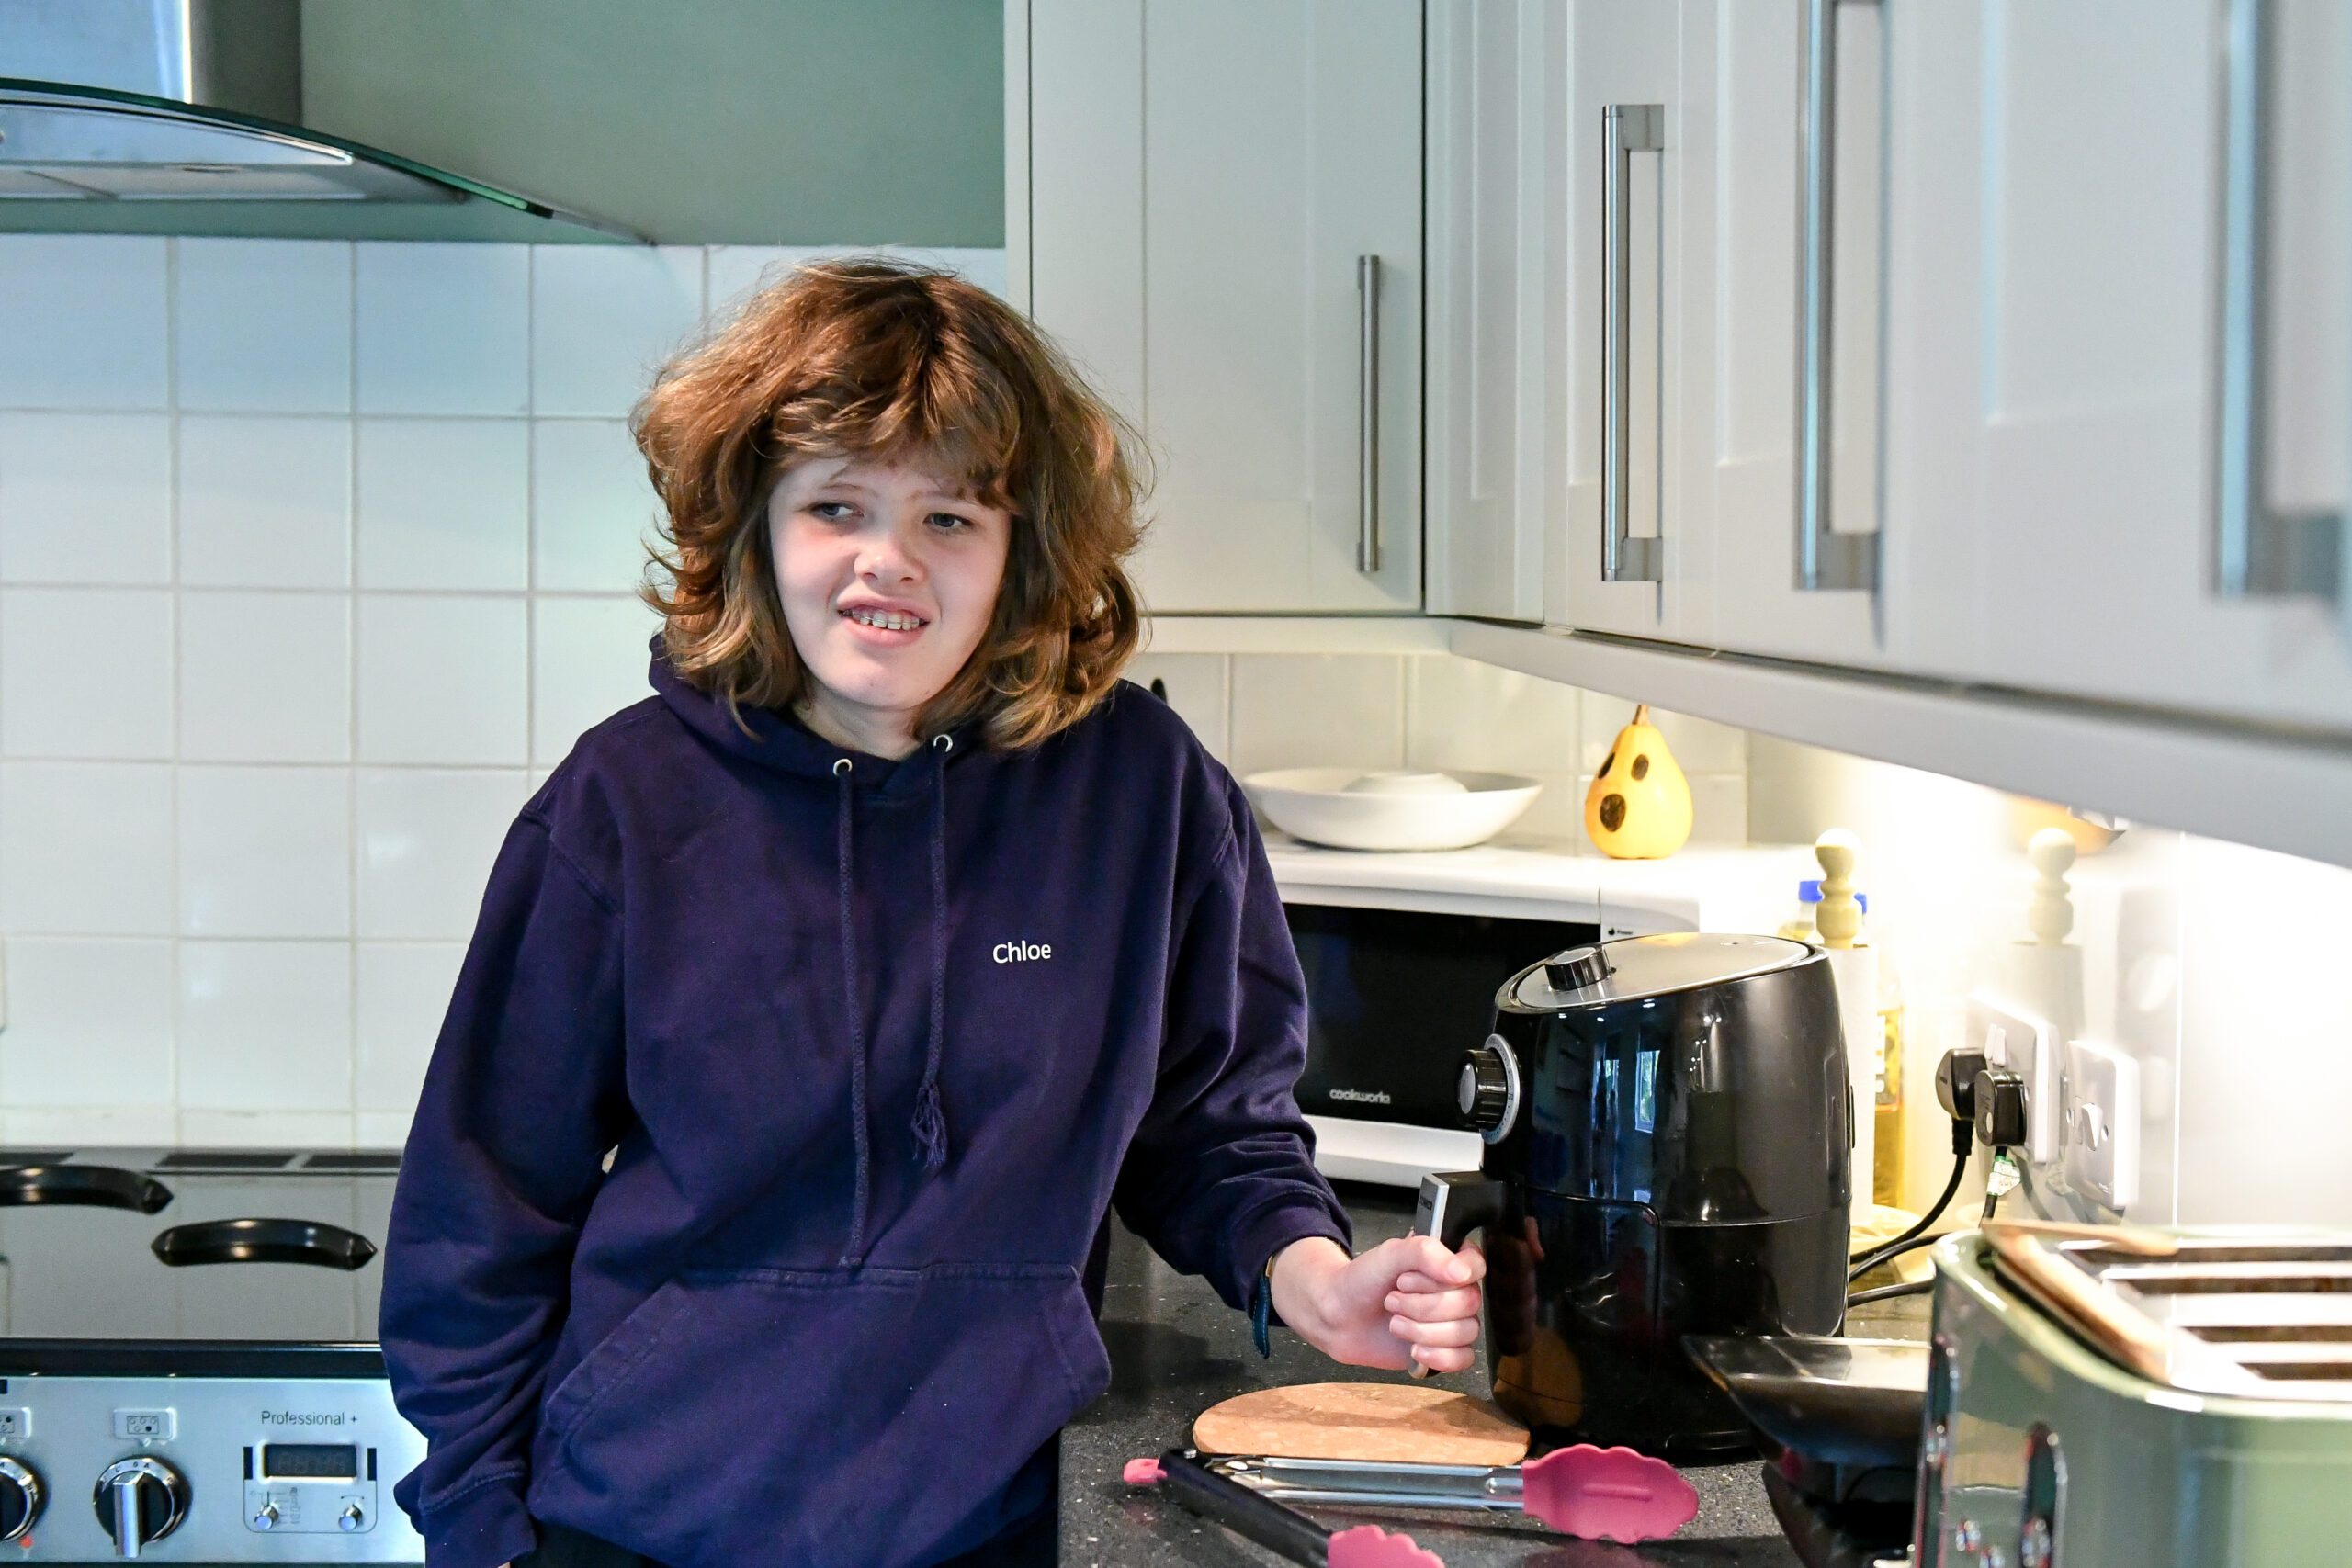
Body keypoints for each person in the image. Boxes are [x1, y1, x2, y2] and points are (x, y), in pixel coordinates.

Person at [378, 260, 1488, 1568]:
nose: (886, 562)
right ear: (755, 525)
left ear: (1023, 549)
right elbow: (483, 1210)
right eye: (835, 505)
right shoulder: (623, 805)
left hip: (996, 1521)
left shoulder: (1146, 793)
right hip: (653, 1520)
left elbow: (1211, 1125)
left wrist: (1312, 1276)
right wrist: (478, 1529)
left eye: (951, 517)